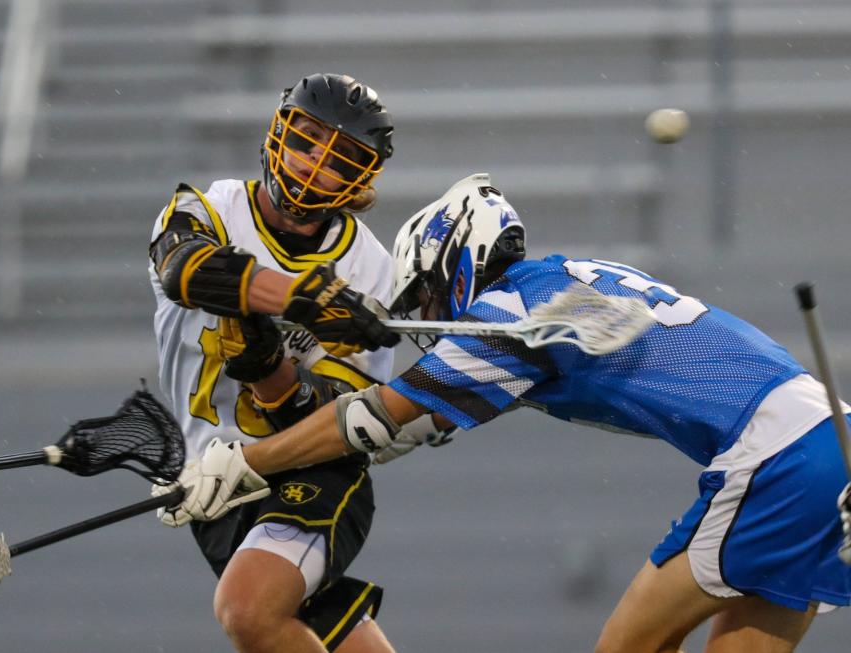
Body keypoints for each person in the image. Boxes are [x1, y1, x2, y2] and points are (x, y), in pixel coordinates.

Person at [169, 172, 851, 653]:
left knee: (631, 644)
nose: (434, 322)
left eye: (431, 301)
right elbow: (408, 425)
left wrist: (240, 463)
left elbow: (374, 417)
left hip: (780, 459)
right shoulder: (563, 282)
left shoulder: (508, 312)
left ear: (457, 258)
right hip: (831, 438)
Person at [145, 73, 446, 653]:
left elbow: (342, 429)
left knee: (247, 610)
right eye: (306, 142)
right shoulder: (204, 207)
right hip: (214, 479)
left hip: (308, 471)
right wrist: (301, 299)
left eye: (338, 159)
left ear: (360, 181)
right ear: (277, 134)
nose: (312, 165)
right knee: (325, 634)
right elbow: (185, 271)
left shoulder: (372, 273)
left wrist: (270, 373)